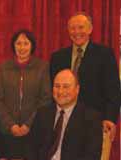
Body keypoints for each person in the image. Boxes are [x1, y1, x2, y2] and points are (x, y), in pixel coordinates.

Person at [0, 69, 102, 160]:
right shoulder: (43, 112)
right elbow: (29, 146)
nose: (60, 91)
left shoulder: (91, 117)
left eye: (66, 86)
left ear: (77, 89)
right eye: (57, 86)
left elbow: (91, 158)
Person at [49, 12, 121, 141]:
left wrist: (110, 118)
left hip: (95, 122)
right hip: (64, 122)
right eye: (72, 28)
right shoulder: (57, 57)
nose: (76, 32)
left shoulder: (104, 54)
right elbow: (53, 91)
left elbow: (113, 90)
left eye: (81, 27)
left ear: (90, 29)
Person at [0, 29, 52, 160]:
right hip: (8, 131)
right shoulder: (4, 67)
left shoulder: (42, 67)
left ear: (32, 46)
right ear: (13, 46)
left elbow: (46, 99)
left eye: (26, 43)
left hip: (34, 130)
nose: (22, 47)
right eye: (18, 43)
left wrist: (28, 125)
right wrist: (11, 125)